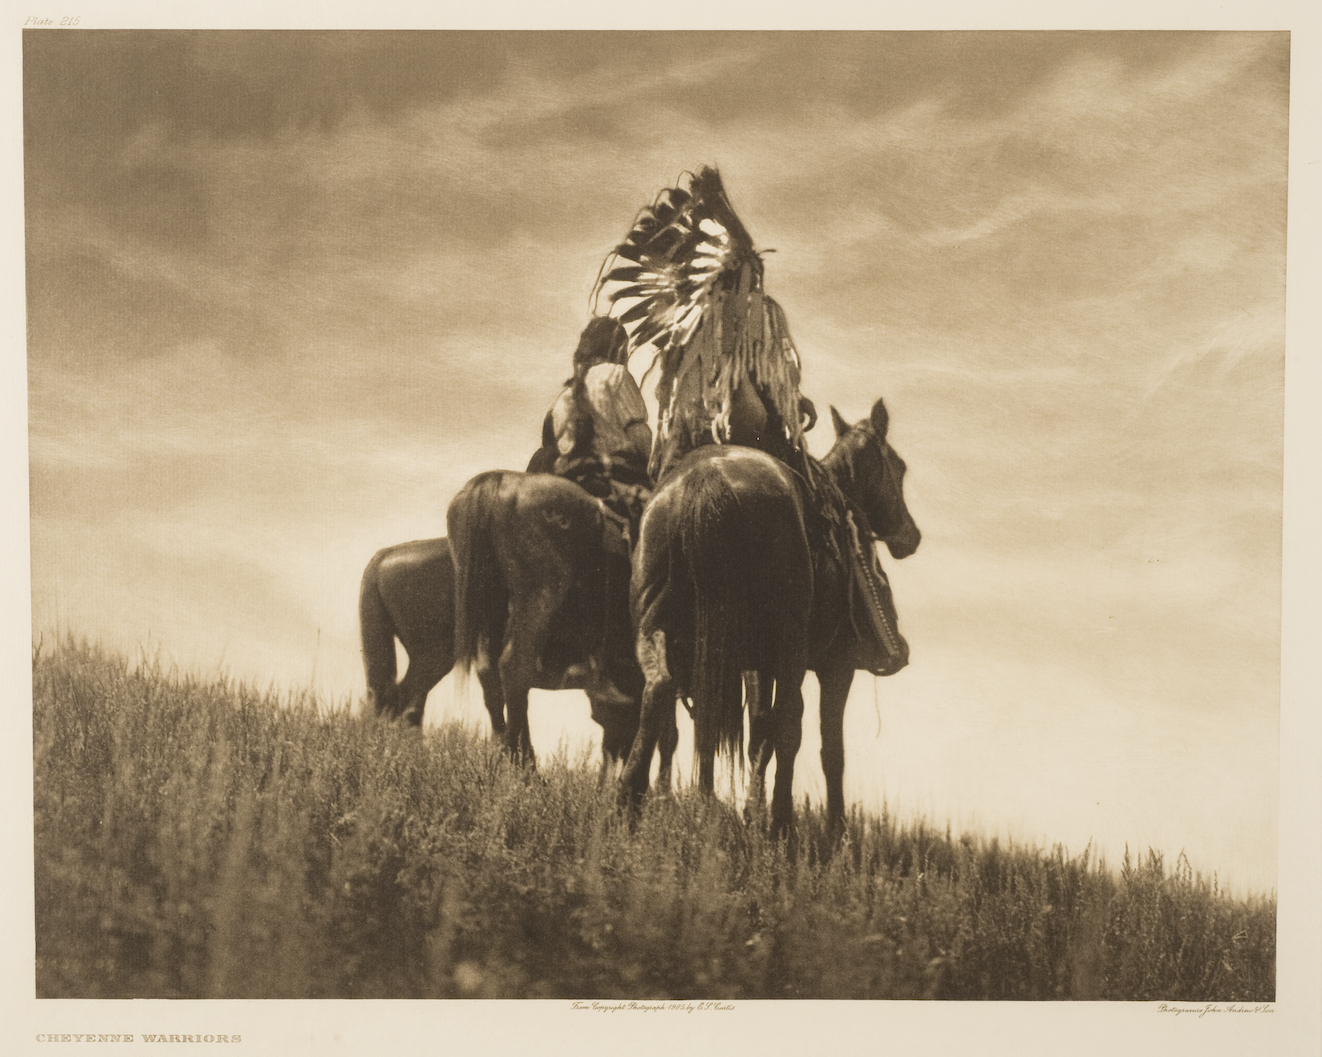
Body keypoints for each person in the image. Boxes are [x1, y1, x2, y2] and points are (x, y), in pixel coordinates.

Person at [548, 315, 653, 545]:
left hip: (574, 480)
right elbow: (640, 436)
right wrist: (655, 467)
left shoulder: (563, 397)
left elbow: (564, 448)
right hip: (622, 478)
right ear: (619, 347)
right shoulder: (616, 375)